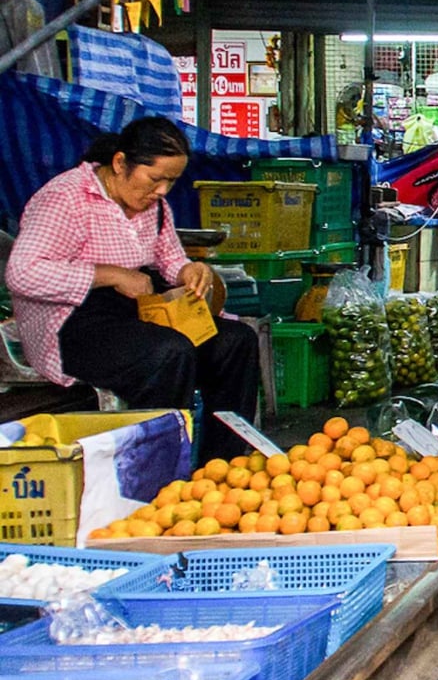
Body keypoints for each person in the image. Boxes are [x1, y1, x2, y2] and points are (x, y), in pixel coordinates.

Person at [5, 117, 259, 463]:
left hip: (133, 315)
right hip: (69, 327)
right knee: (169, 354)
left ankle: (221, 466)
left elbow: (169, 257)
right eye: (156, 179)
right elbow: (22, 273)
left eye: (171, 181)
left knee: (236, 341)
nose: (163, 191)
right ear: (121, 163)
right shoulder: (65, 199)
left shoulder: (155, 207)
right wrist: (108, 274)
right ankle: (159, 473)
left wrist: (189, 270)